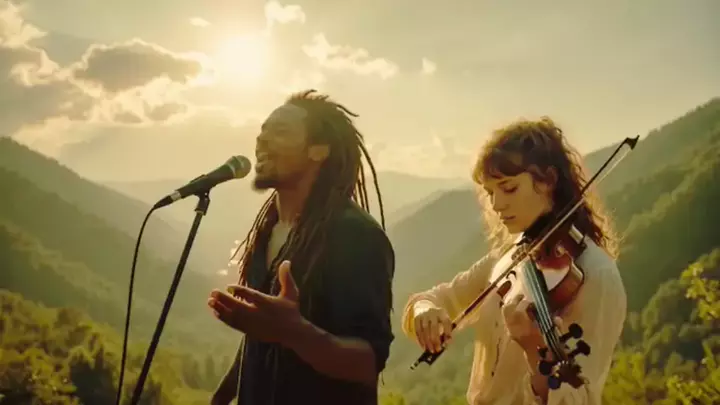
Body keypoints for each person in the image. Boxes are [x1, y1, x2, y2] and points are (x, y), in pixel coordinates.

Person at [401, 117, 627, 405]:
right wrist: (425, 311)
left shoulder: (597, 276)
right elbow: (435, 299)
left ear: (548, 181)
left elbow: (579, 399)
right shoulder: (510, 256)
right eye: (490, 192)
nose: (496, 204)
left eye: (508, 189)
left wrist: (535, 349)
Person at [207, 90, 395, 405]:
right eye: (262, 131)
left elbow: (367, 362)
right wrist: (221, 398)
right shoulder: (268, 230)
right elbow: (264, 335)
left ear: (319, 150)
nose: (261, 140)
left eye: (280, 131)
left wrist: (294, 333)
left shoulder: (354, 235)